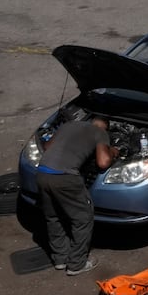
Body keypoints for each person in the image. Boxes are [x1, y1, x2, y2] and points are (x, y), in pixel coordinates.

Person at [37, 116, 113, 275]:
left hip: (42, 172)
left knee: (54, 216)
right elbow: (103, 162)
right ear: (105, 127)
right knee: (83, 218)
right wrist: (113, 151)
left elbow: (47, 146)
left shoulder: (69, 125)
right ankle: (77, 264)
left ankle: (60, 259)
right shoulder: (100, 133)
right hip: (65, 178)